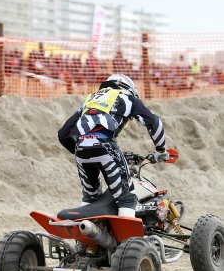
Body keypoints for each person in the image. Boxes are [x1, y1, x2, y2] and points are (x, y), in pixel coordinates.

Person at [58, 74, 169, 217]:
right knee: (127, 198)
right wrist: (161, 150)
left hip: (81, 150)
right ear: (129, 88)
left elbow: (63, 134)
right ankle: (129, 239)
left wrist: (84, 149)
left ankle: (85, 238)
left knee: (91, 198)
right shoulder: (127, 97)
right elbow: (154, 123)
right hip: (106, 147)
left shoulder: (90, 100)